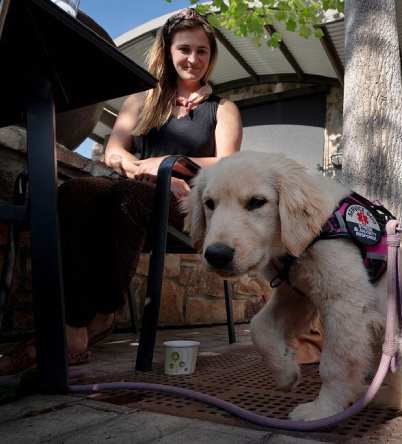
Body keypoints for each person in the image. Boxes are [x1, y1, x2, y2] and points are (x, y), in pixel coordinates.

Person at [0, 8, 242, 375]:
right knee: (75, 191)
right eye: (184, 49)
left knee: (129, 198)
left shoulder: (223, 108)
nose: (193, 59)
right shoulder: (144, 98)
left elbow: (228, 163)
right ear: (168, 50)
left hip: (189, 202)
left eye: (202, 51)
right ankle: (74, 329)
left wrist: (170, 163)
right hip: (134, 189)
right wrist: (140, 166)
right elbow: (114, 151)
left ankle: (102, 316)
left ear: (211, 56)